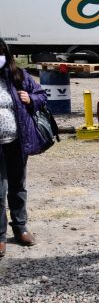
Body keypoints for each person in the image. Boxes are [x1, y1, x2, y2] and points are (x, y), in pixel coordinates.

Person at [0, 38, 47, 258]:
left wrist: (30, 98)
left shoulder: (17, 75)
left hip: (16, 142)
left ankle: (20, 228)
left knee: (18, 186)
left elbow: (41, 95)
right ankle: (0, 236)